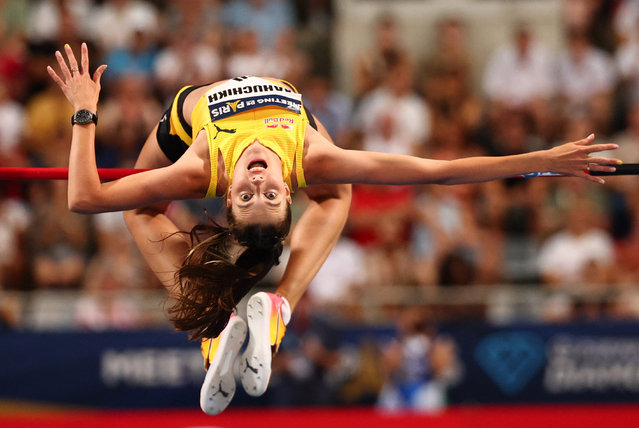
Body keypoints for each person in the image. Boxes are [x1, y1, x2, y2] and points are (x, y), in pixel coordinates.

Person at [48, 43, 621, 414]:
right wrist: (544, 158)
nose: (257, 179)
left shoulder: (202, 166)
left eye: (248, 195)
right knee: (340, 192)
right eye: (270, 194)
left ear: (226, 195)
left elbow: (83, 196)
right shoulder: (311, 160)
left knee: (135, 204)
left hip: (182, 119)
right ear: (288, 192)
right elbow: (441, 173)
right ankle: (271, 311)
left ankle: (213, 325)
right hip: (297, 127)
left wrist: (84, 111)